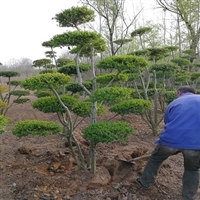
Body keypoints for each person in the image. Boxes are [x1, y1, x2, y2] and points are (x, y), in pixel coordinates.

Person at [136, 86, 200, 200]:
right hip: (196, 144)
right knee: (192, 169)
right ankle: (188, 196)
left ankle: (145, 182)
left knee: (155, 159)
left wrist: (175, 145)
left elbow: (167, 121)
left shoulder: (175, 102)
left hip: (170, 141)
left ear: (179, 93)